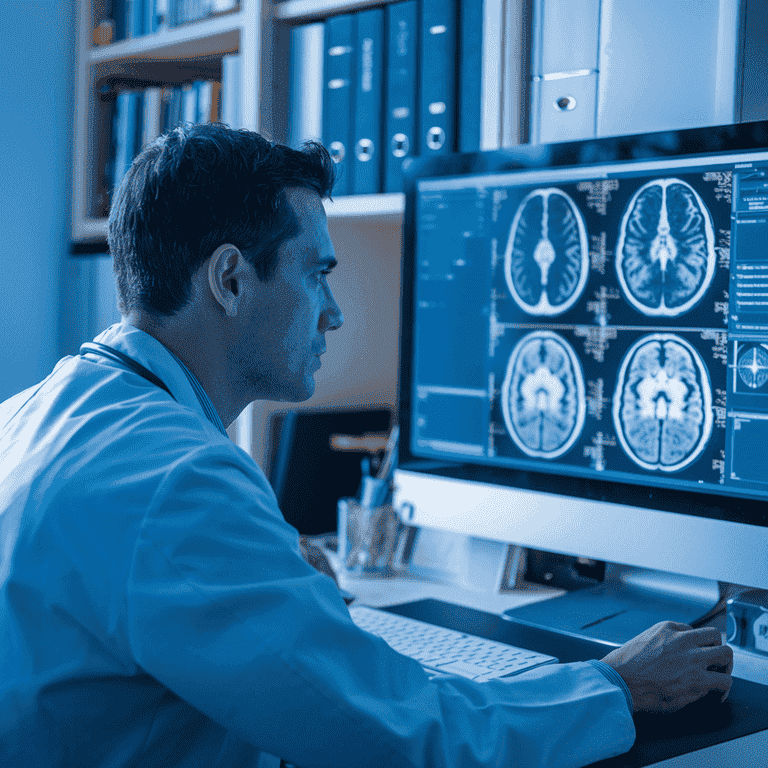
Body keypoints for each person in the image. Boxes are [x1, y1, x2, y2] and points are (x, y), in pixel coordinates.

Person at [0, 123, 733, 768]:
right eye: (317, 273)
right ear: (230, 278)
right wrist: (615, 686)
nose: (336, 313)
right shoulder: (180, 481)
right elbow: (408, 741)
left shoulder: (35, 413)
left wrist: (270, 577)